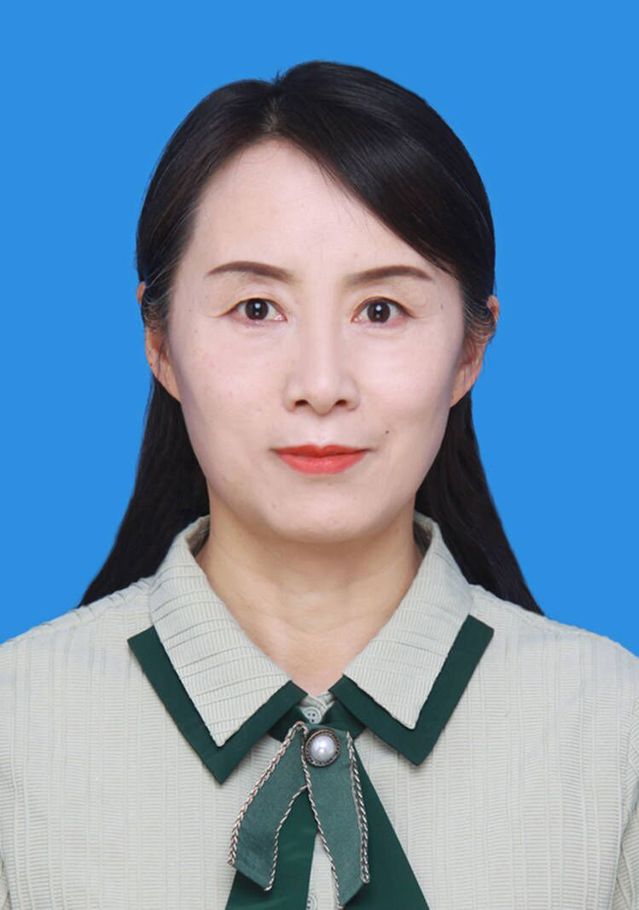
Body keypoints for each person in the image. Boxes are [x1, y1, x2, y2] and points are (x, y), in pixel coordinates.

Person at [0, 60, 637, 910]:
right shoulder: (16, 728)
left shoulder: (613, 728)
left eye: (381, 310)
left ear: (469, 350)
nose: (321, 384)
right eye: (256, 308)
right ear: (159, 344)